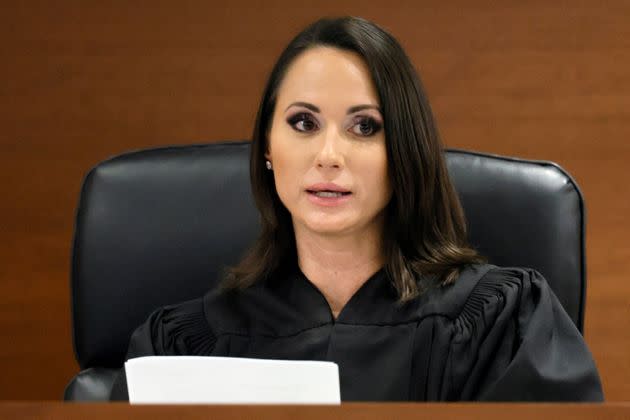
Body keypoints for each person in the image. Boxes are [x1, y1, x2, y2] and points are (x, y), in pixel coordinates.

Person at [110, 16, 603, 401]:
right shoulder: (181, 345)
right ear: (266, 146)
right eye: (303, 122)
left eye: (365, 127)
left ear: (404, 151)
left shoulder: (502, 324)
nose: (329, 155)